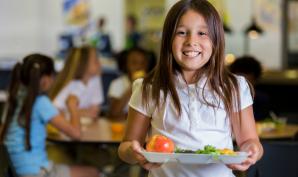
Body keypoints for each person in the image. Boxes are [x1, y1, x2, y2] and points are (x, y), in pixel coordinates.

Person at [118, 1, 263, 177]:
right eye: (181, 32)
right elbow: (126, 146)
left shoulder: (234, 87)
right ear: (168, 40)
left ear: (216, 41)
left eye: (202, 33)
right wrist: (134, 153)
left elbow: (249, 141)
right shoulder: (148, 88)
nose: (191, 41)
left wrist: (252, 151)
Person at [0, 54, 99, 177]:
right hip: (37, 172)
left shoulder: (14, 98)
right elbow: (76, 134)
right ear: (45, 79)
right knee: (93, 172)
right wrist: (73, 106)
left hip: (16, 170)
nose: (54, 80)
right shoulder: (40, 102)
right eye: (53, 76)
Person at [49, 46, 104, 119]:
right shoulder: (70, 84)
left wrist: (73, 112)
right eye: (96, 61)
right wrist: (82, 112)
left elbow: (94, 112)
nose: (100, 63)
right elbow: (55, 112)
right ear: (83, 64)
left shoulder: (95, 79)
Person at [108, 47, 149, 120]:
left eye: (142, 63)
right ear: (126, 64)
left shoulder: (150, 85)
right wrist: (133, 86)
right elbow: (113, 113)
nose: (139, 67)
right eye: (134, 63)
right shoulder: (117, 84)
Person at [229, 56, 270, 121]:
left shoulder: (261, 99)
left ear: (255, 80)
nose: (242, 86)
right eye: (239, 82)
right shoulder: (226, 99)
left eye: (247, 83)